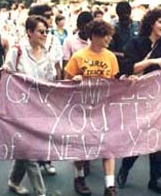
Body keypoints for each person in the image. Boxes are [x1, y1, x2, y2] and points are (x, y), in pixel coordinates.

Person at [116, 8, 161, 195]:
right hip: (137, 99)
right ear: (151, 23)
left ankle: (154, 180)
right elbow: (128, 68)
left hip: (157, 99)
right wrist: (152, 62)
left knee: (158, 142)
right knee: (137, 139)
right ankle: (124, 169)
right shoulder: (135, 43)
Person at [4, 15, 61, 196]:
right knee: (31, 149)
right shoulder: (17, 51)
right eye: (40, 31)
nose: (45, 35)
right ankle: (41, 192)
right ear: (29, 32)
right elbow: (7, 76)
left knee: (27, 148)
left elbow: (51, 79)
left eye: (46, 31)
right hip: (21, 108)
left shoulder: (48, 54)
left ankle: (14, 181)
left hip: (42, 107)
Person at [65, 19, 119, 196]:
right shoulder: (79, 57)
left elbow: (115, 82)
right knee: (82, 147)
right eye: (106, 36)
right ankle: (79, 177)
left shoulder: (110, 57)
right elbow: (65, 83)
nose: (109, 39)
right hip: (82, 109)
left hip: (103, 108)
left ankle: (109, 186)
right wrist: (75, 80)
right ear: (95, 36)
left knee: (108, 146)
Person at [29, 4, 62, 174]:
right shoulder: (24, 43)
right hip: (30, 92)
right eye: (47, 16)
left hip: (48, 89)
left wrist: (59, 84)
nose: (51, 19)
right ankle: (34, 158)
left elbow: (57, 64)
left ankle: (47, 159)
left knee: (49, 125)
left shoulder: (54, 40)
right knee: (34, 126)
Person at [109, 1, 139, 75]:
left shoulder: (139, 26)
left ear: (130, 13)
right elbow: (109, 51)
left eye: (126, 18)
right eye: (122, 19)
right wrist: (125, 55)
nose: (124, 22)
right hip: (120, 67)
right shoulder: (113, 29)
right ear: (118, 15)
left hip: (138, 65)